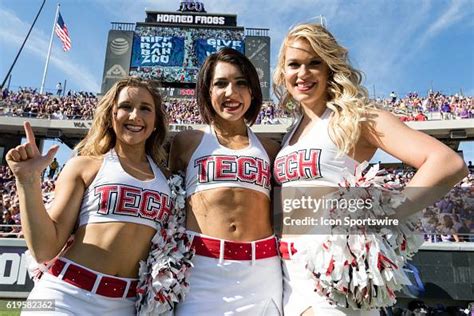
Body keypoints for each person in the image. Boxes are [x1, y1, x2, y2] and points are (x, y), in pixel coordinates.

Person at [272, 23, 468, 315]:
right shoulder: (290, 133)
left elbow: (447, 162)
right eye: (294, 64)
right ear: (282, 72)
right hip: (285, 275)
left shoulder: (356, 117)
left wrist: (383, 217)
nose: (303, 73)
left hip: (332, 275)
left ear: (330, 68)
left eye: (314, 63)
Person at [6, 77, 171, 315]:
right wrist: (27, 181)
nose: (135, 116)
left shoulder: (168, 177)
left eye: (145, 108)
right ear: (111, 115)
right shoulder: (84, 166)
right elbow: (44, 249)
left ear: (155, 122)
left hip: (126, 305)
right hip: (66, 298)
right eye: (125, 106)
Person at [169, 48, 283, 315]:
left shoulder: (269, 148)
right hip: (200, 273)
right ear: (208, 91)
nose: (231, 93)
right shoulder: (186, 142)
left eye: (241, 83)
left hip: (262, 273)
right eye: (221, 83)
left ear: (253, 91)